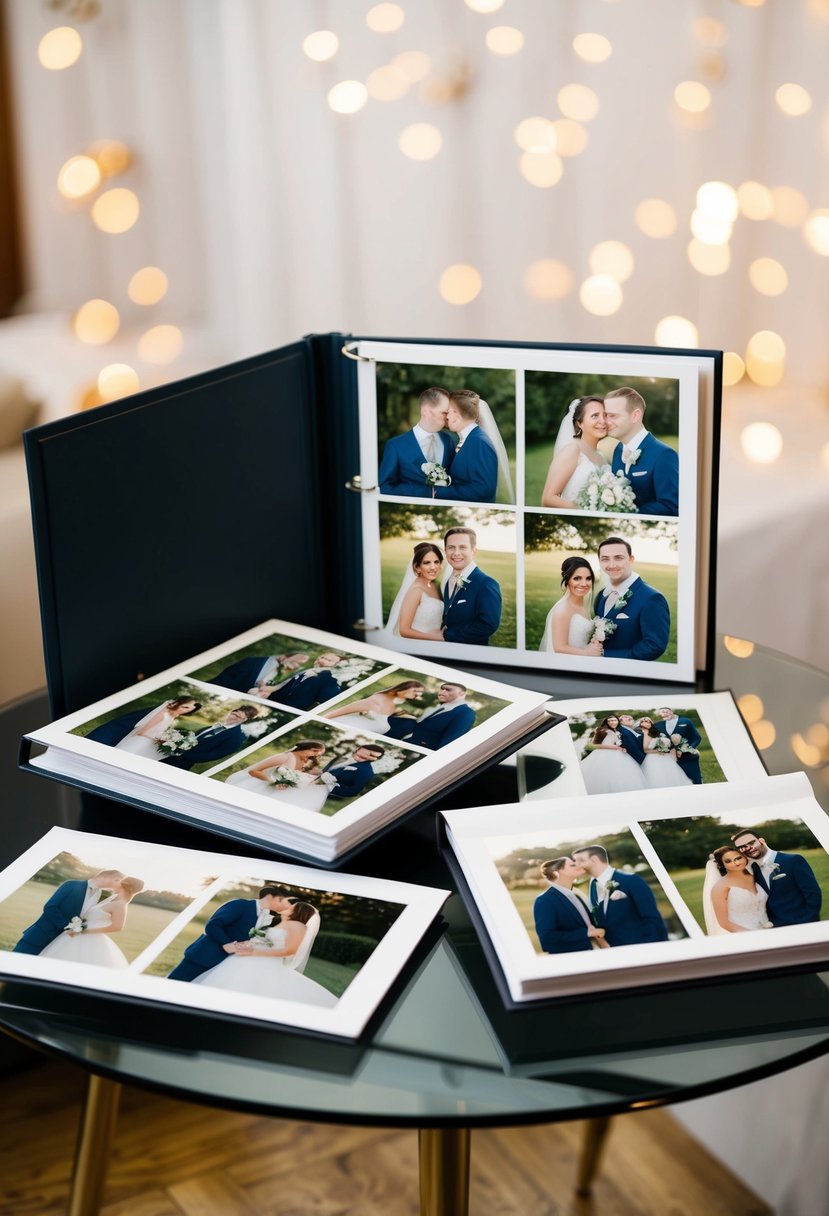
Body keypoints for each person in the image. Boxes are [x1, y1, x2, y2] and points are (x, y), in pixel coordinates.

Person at [191, 901, 337, 1007]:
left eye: (291, 906)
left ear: (298, 911)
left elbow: (289, 950)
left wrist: (254, 952)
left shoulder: (299, 926)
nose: (287, 906)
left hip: (264, 964)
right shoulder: (281, 923)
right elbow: (269, 942)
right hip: (247, 959)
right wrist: (249, 944)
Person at [168, 886, 298, 982]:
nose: (285, 905)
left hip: (224, 965)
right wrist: (226, 943)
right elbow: (213, 925)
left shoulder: (266, 917)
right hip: (203, 956)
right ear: (270, 897)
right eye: (282, 900)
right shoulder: (240, 905)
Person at [571, 845, 668, 946]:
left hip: (640, 946)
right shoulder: (592, 885)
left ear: (594, 860)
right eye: (575, 861)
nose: (576, 865)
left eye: (580, 861)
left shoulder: (631, 880)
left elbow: (652, 919)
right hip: (615, 949)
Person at [38, 875, 144, 968]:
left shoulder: (120, 904)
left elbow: (117, 927)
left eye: (118, 880)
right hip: (76, 934)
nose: (115, 882)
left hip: (91, 939)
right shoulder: (113, 898)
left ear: (123, 884)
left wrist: (83, 931)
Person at [603, 387, 678, 516]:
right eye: (606, 415)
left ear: (635, 416)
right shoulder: (618, 450)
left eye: (613, 416)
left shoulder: (664, 454)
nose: (606, 422)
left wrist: (626, 513)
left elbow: (670, 506)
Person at [13, 869, 125, 955]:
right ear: (105, 877)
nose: (119, 884)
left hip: (61, 942)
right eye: (117, 880)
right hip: (41, 935)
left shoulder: (99, 894)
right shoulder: (71, 884)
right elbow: (50, 907)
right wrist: (68, 926)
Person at [593, 537, 670, 661]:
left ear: (631, 559)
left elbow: (654, 646)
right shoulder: (601, 595)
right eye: (605, 559)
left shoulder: (652, 598)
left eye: (618, 558)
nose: (612, 565)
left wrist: (604, 655)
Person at [731, 829, 822, 926]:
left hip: (803, 922)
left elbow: (813, 894)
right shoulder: (752, 869)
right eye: (741, 847)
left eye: (751, 843)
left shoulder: (793, 860)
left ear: (762, 841)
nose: (747, 848)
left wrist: (808, 921)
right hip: (775, 927)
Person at [378, 387, 454, 497]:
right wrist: (427, 493)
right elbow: (385, 487)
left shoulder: (448, 441)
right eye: (444, 413)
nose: (448, 417)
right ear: (426, 411)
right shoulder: (395, 446)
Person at [429, 390, 501, 503]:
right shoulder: (469, 439)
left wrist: (438, 492)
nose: (446, 417)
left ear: (457, 414)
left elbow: (485, 490)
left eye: (447, 412)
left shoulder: (479, 442)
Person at [540, 396, 610, 509]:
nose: (602, 421)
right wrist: (586, 510)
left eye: (605, 415)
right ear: (579, 423)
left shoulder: (602, 456)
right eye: (595, 416)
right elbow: (547, 499)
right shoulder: (573, 449)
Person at [223, 741, 330, 812]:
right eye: (314, 751)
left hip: (275, 789)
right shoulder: (284, 757)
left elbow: (292, 774)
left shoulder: (304, 762)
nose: (316, 755)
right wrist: (272, 782)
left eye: (319, 753)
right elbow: (253, 771)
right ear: (304, 747)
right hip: (258, 782)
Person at [533, 857, 608, 953]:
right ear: (556, 872)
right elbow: (547, 939)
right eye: (572, 865)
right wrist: (585, 933)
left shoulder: (576, 895)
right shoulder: (544, 900)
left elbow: (590, 926)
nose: (578, 865)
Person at [442, 527, 502, 645]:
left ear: (474, 551)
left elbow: (488, 625)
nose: (456, 553)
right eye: (451, 547)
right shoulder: (448, 580)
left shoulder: (487, 584)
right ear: (445, 551)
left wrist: (446, 635)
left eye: (462, 547)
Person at [86, 697, 201, 757]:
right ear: (180, 704)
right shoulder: (163, 714)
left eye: (189, 710)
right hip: (140, 740)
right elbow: (142, 731)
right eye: (185, 707)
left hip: (146, 743)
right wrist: (160, 740)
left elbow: (158, 730)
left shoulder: (172, 717)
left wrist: (167, 739)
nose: (185, 710)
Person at [161, 705, 263, 770]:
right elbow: (197, 737)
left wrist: (182, 754)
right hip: (168, 755)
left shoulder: (236, 739)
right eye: (234, 713)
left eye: (238, 717)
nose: (232, 717)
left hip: (180, 764)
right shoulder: (217, 725)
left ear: (244, 720)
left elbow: (212, 756)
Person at [538, 557, 603, 656]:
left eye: (588, 578)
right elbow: (559, 648)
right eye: (577, 578)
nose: (584, 584)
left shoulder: (582, 605)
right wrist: (587, 652)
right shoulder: (563, 609)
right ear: (567, 580)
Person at [702, 846, 772, 935]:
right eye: (728, 861)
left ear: (744, 857)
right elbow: (724, 923)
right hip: (742, 934)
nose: (736, 862)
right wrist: (753, 935)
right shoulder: (720, 887)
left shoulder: (756, 875)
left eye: (738, 858)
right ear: (722, 865)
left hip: (770, 928)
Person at [386, 682, 476, 749]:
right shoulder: (442, 705)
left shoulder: (466, 713)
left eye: (448, 690)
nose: (442, 692)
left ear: (462, 693)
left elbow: (449, 742)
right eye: (442, 689)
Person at [385, 542, 445, 640]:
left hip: (435, 643)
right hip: (418, 645)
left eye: (436, 562)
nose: (433, 567)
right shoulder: (416, 590)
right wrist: (436, 637)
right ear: (417, 567)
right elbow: (404, 630)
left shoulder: (434, 586)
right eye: (427, 563)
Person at [322, 680, 425, 735]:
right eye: (415, 691)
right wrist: (324, 718)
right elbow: (345, 709)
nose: (418, 695)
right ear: (404, 688)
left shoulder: (392, 706)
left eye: (420, 693)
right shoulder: (379, 699)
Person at [579, 715, 646, 794]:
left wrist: (621, 748)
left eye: (614, 720)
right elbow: (592, 745)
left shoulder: (617, 731)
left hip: (619, 755)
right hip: (604, 755)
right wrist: (615, 747)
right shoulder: (602, 730)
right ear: (606, 722)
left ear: (618, 721)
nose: (612, 722)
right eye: (610, 720)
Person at [263, 652, 348, 709]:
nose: (321, 660)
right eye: (321, 657)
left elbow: (330, 703)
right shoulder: (303, 672)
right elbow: (281, 687)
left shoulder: (329, 682)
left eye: (328, 660)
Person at [208, 651, 309, 695]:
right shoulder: (252, 661)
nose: (296, 666)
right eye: (295, 662)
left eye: (300, 664)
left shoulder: (288, 677)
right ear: (283, 657)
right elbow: (223, 678)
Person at [639, 716, 692, 789]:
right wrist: (659, 750)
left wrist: (665, 747)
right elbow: (646, 749)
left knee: (670, 773)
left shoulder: (654, 732)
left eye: (649, 722)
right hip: (653, 758)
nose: (648, 723)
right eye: (645, 721)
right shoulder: (645, 733)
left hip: (664, 756)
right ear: (641, 723)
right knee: (658, 775)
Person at [653, 706, 702, 784]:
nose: (665, 713)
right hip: (670, 759)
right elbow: (654, 740)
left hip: (688, 757)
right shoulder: (658, 725)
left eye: (666, 711)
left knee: (694, 779)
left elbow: (697, 738)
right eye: (662, 712)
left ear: (671, 711)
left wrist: (686, 749)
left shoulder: (686, 721)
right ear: (659, 714)